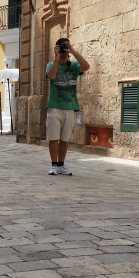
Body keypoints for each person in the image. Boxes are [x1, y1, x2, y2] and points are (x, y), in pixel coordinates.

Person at [46, 38, 90, 175]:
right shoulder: (51, 64)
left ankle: (61, 165)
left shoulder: (74, 66)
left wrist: (73, 51)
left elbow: (86, 67)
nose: (64, 51)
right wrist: (56, 58)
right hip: (55, 107)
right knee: (53, 137)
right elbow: (51, 76)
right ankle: (54, 165)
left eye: (65, 48)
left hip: (70, 107)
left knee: (65, 138)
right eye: (62, 48)